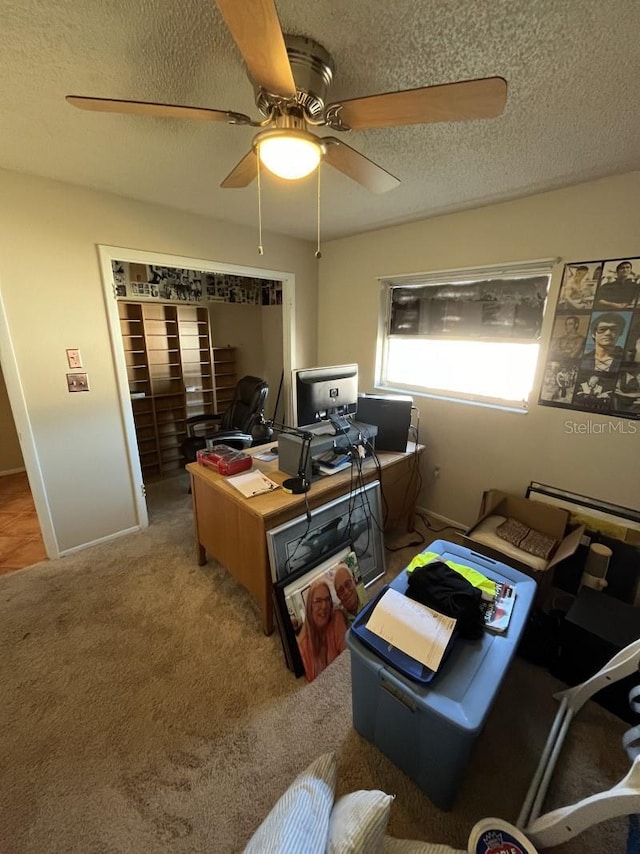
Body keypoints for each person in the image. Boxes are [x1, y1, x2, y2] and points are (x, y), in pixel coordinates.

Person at [296, 579, 347, 682]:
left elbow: (347, 658)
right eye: (318, 601)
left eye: (327, 599)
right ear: (310, 607)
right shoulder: (302, 647)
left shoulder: (336, 619)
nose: (324, 606)